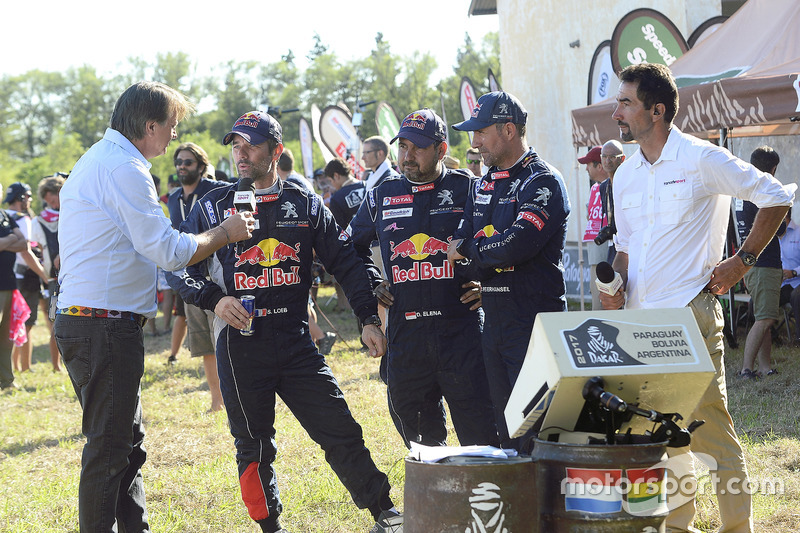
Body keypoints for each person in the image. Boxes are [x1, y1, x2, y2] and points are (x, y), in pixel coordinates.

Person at [171, 110, 402, 533]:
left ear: (275, 150)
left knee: (339, 427)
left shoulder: (305, 202)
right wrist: (214, 299)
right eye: (235, 145)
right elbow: (174, 264)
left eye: (251, 145)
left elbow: (347, 263)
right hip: (241, 343)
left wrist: (369, 318)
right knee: (254, 446)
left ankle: (384, 511)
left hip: (296, 340)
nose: (241, 154)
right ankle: (270, 527)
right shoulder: (213, 204)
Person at [600, 63, 794, 533]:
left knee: (711, 435)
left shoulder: (701, 158)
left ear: (657, 110)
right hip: (638, 323)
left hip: (689, 315)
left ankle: (735, 529)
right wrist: (616, 285)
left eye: (625, 103)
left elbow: (776, 196)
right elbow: (625, 247)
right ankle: (677, 527)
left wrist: (742, 260)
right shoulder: (622, 176)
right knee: (659, 436)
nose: (616, 113)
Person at [54, 81, 254, 533]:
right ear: (149, 125)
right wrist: (223, 233)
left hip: (97, 322)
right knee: (110, 449)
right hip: (102, 324)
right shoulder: (125, 167)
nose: (174, 138)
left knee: (125, 443)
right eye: (172, 127)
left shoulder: (100, 159)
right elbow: (167, 249)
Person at [347, 108, 498, 449]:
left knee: (484, 440)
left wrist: (489, 286)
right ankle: (439, 499)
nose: (407, 155)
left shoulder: (471, 189)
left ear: (441, 150)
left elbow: (503, 242)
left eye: (417, 147)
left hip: (463, 335)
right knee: (421, 446)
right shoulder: (381, 194)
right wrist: (373, 283)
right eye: (402, 146)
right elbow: (348, 250)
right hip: (407, 336)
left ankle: (485, 499)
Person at [447, 91, 570, 449]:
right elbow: (460, 243)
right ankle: (520, 501)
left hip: (534, 321)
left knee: (541, 427)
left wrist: (473, 252)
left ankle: (551, 503)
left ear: (509, 130)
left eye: (481, 133)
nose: (474, 143)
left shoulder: (542, 181)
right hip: (494, 321)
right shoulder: (483, 183)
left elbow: (516, 245)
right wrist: (479, 255)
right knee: (506, 427)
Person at [166, 141, 227, 411]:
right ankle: (217, 401)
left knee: (225, 341)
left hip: (217, 277)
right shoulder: (173, 197)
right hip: (189, 279)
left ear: (201, 166)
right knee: (205, 344)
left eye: (188, 162)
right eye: (179, 162)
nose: (182, 166)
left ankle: (235, 396)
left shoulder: (216, 191)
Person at [737, 146, 783, 379]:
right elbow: (780, 229)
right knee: (766, 318)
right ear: (773, 169)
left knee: (763, 316)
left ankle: (764, 366)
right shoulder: (767, 191)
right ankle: (746, 369)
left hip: (749, 262)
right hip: (765, 262)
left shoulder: (743, 191)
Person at [5, 182, 49, 373]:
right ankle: (24, 367)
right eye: (28, 196)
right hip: (25, 276)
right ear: (22, 198)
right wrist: (44, 275)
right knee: (25, 323)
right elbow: (26, 252)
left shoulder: (4, 216)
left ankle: (15, 366)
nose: (30, 200)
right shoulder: (22, 219)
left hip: (9, 275)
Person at [31, 174, 66, 372]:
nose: (52, 205)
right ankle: (55, 365)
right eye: (48, 202)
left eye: (53, 200)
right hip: (52, 279)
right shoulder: (38, 222)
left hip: (74, 275)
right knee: (54, 320)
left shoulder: (73, 213)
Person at [324, 157, 366, 313]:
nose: (331, 185)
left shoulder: (338, 198)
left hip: (354, 248)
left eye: (330, 180)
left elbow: (338, 230)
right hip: (375, 244)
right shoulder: (367, 186)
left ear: (336, 175)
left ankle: (346, 306)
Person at [578, 146, 609, 310]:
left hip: (604, 243)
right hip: (593, 243)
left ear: (600, 166)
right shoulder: (594, 188)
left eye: (589, 164)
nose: (586, 168)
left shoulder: (613, 184)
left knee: (601, 289)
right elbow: (590, 215)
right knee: (594, 286)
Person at [598, 139, 625, 264]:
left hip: (630, 243)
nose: (607, 161)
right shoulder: (603, 187)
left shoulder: (629, 183)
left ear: (622, 158)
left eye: (612, 157)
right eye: (604, 156)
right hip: (613, 244)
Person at [779, 211, 800, 345]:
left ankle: (798, 338)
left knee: (796, 296)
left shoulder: (798, 232)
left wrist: (794, 272)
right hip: (782, 283)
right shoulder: (771, 236)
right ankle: (772, 336)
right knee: (760, 300)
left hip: (798, 280)